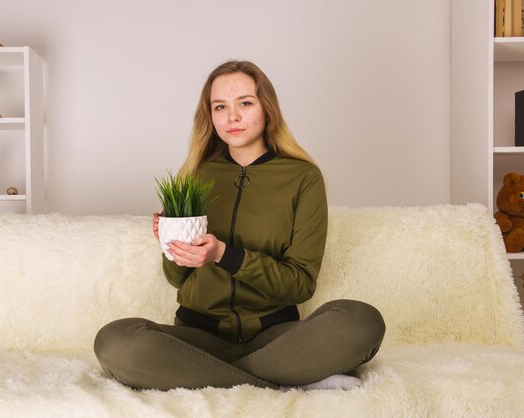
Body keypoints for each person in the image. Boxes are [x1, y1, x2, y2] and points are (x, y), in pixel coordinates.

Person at [94, 60, 385, 391]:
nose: (232, 117)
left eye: (245, 103)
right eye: (220, 107)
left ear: (267, 108)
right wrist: (171, 245)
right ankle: (290, 378)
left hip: (276, 339)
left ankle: (216, 377)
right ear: (211, 115)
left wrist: (223, 254)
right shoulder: (196, 175)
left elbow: (300, 284)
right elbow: (177, 279)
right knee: (114, 341)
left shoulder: (302, 177)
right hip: (196, 338)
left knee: (361, 321)